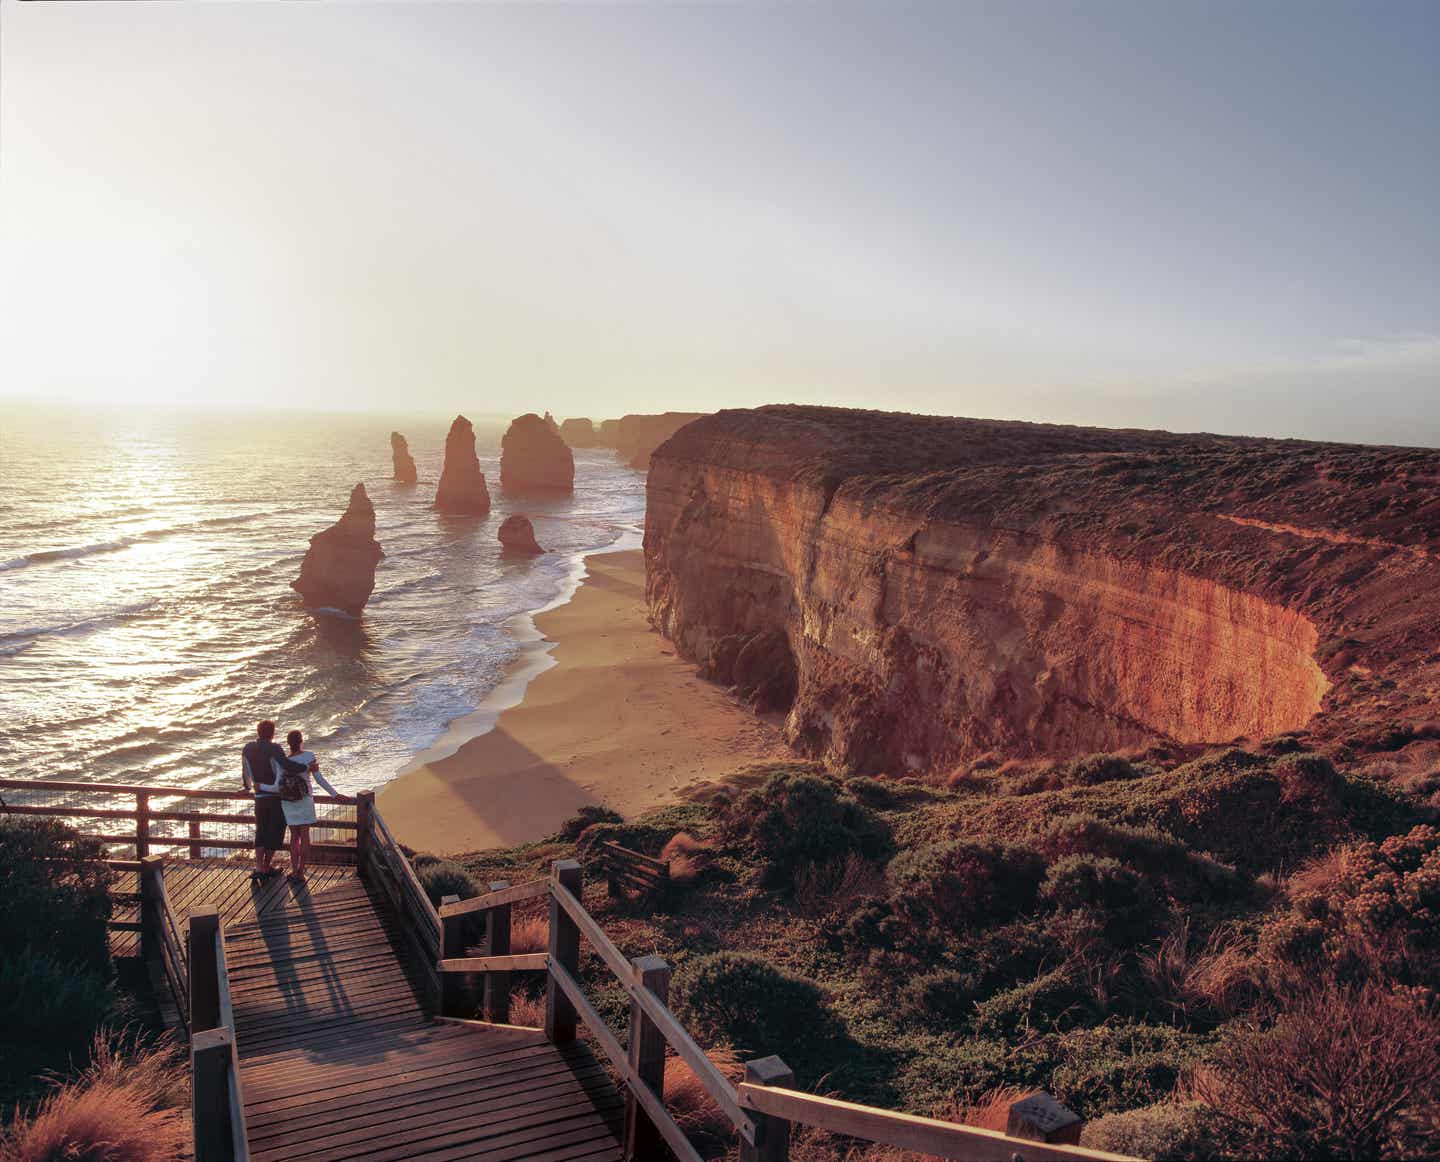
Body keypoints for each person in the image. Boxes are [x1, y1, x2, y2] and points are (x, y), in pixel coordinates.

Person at [241, 720, 314, 881]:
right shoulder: (274, 748)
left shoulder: (248, 748)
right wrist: (306, 768)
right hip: (275, 797)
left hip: (259, 796)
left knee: (261, 830)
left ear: (258, 731)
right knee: (274, 832)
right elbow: (286, 765)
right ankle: (267, 866)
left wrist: (247, 787)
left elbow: (245, 769)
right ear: (272, 733)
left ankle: (259, 867)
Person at [275, 728, 337, 883]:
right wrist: (335, 794)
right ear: (301, 741)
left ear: (288, 743)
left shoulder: (283, 761)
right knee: (305, 835)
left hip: (288, 801)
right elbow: (319, 779)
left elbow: (277, 784)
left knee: (294, 837)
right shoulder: (309, 756)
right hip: (305, 799)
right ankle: (301, 872)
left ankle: (294, 870)